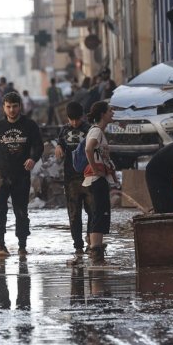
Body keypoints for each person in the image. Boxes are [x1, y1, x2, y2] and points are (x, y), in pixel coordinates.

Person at [0, 91, 44, 257]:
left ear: (20, 107)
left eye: (15, 106)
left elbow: (39, 146)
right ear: (3, 108)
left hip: (21, 175)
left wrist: (33, 159)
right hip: (0, 174)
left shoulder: (29, 125)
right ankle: (0, 244)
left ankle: (22, 246)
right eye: (9, 107)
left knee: (21, 211)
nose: (12, 110)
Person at [81, 101, 116, 265]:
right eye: (110, 111)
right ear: (102, 114)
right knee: (99, 214)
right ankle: (96, 255)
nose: (112, 113)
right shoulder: (96, 132)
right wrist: (95, 169)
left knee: (99, 213)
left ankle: (96, 253)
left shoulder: (98, 131)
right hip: (96, 179)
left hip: (98, 179)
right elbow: (88, 149)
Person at [55, 101, 90, 256]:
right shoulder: (64, 131)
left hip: (88, 176)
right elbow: (59, 143)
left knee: (92, 211)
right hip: (70, 178)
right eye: (71, 119)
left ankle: (91, 241)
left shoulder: (89, 129)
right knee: (74, 213)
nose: (74, 123)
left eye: (77, 119)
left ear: (82, 116)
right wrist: (58, 147)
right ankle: (78, 246)